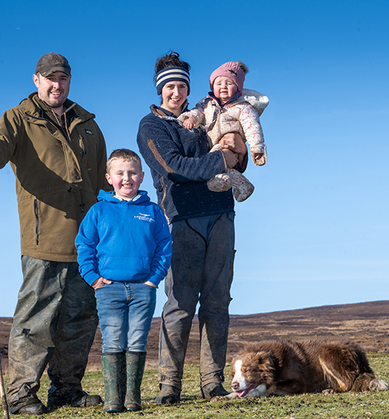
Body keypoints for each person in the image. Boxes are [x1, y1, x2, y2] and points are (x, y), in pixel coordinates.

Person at [0, 52, 109, 416]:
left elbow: (104, 182)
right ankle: (21, 393)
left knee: (80, 319)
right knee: (35, 320)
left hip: (89, 241)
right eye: (50, 78)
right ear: (36, 80)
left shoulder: (87, 123)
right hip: (45, 238)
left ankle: (67, 389)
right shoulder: (19, 118)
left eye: (63, 78)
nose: (56, 85)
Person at [136, 52, 248, 404]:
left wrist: (237, 150)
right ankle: (169, 386)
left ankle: (212, 382)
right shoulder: (152, 127)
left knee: (217, 302)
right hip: (181, 219)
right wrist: (221, 159)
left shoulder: (206, 116)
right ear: (160, 90)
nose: (176, 92)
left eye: (182, 85)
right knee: (181, 303)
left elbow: (238, 152)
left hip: (221, 214)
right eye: (170, 86)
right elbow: (173, 167)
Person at [75, 149, 172, 413]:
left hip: (143, 289)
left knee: (137, 339)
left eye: (132, 173)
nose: (126, 178)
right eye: (120, 173)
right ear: (109, 178)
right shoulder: (99, 211)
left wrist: (154, 280)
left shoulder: (152, 211)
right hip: (108, 289)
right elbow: (84, 244)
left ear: (141, 177)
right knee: (114, 339)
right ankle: (113, 399)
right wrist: (93, 278)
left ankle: (132, 397)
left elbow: (164, 245)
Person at [179, 60, 269, 202]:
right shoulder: (207, 103)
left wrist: (256, 148)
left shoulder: (242, 107)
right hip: (215, 143)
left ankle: (221, 181)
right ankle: (242, 185)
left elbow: (253, 127)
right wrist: (191, 118)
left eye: (229, 83)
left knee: (213, 163)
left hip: (230, 144)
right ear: (212, 86)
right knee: (219, 165)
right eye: (219, 83)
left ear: (238, 87)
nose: (223, 87)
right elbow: (199, 112)